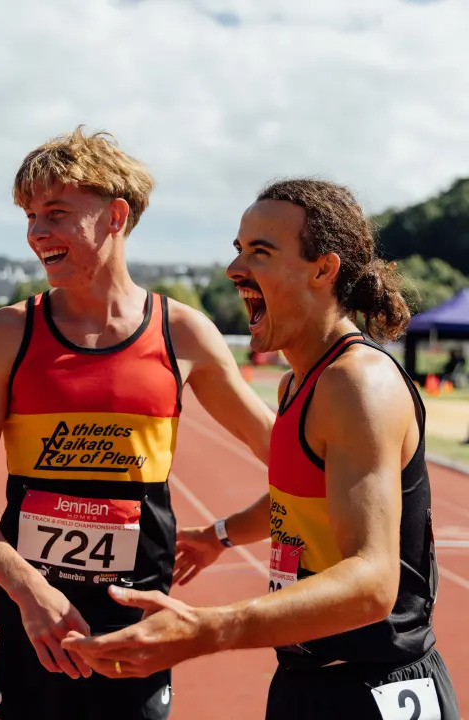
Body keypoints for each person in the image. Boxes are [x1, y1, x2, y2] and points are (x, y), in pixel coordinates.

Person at [62, 179, 460, 719]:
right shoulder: (297, 383)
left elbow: (372, 582)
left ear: (324, 269)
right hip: (307, 681)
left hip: (374, 686)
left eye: (261, 252)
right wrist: (218, 536)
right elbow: (300, 500)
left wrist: (209, 629)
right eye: (238, 249)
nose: (234, 269)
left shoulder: (358, 384)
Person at [0, 127, 275, 720]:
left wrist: (225, 534)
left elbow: (287, 453)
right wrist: (30, 590)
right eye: (29, 216)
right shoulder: (5, 334)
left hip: (134, 622)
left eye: (56, 213)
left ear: (116, 215)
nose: (36, 232)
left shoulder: (182, 333)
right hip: (30, 612)